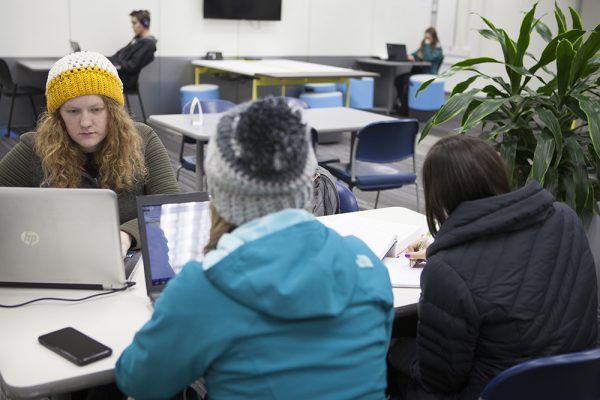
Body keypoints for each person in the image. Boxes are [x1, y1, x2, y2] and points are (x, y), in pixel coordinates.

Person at [115, 97, 394, 400]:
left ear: (220, 193)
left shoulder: (206, 287)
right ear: (305, 183)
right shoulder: (366, 262)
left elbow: (138, 382)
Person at [388, 135, 598, 400]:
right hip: (576, 386)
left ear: (439, 195)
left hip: (497, 392)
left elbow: (440, 379)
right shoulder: (564, 219)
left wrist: (395, 348)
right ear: (498, 172)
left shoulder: (447, 271)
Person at [0, 51, 180, 256]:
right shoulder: (34, 149)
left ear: (113, 111)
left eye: (96, 110)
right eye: (73, 111)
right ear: (58, 116)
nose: (85, 122)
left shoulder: (143, 139)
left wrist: (127, 234)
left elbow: (172, 206)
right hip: (59, 262)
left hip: (134, 262)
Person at [393, 27, 443, 115]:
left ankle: (404, 109)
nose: (426, 40)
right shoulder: (423, 47)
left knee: (407, 82)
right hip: (419, 73)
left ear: (433, 38)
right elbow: (414, 54)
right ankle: (403, 106)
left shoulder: (438, 50)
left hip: (429, 75)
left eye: (428, 38)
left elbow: (428, 58)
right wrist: (410, 56)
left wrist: (427, 45)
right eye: (425, 38)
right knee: (399, 79)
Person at [108, 10, 157, 91]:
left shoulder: (148, 44)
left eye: (134, 23)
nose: (132, 26)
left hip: (125, 79)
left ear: (145, 23)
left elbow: (132, 66)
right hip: (121, 73)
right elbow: (120, 55)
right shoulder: (137, 40)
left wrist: (115, 64)